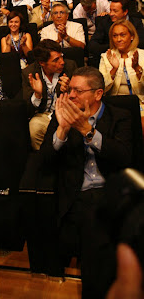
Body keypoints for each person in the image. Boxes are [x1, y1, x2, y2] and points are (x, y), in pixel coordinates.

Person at [40, 67, 133, 299]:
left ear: (98, 94)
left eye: (77, 91)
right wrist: (62, 129)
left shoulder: (120, 116)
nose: (70, 95)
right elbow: (43, 161)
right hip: (77, 194)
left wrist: (86, 129)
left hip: (111, 190)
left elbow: (124, 157)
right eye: (69, 89)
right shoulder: (62, 115)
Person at [22, 40, 76, 150]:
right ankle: (45, 158)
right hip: (43, 114)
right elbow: (26, 109)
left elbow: (82, 97)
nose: (62, 62)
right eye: (56, 60)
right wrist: (37, 95)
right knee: (34, 128)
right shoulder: (29, 73)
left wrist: (69, 91)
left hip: (66, 113)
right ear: (42, 63)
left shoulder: (70, 67)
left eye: (61, 57)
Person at [99, 20, 144, 134]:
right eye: (115, 36)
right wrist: (113, 70)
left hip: (140, 102)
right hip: (115, 104)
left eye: (123, 35)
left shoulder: (142, 55)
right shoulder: (106, 57)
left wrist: (137, 69)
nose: (119, 39)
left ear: (132, 36)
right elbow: (101, 88)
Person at [89, 0, 144, 65]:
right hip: (110, 58)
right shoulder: (104, 22)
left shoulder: (136, 22)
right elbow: (92, 45)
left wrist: (126, 47)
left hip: (134, 57)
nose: (111, 14)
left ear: (125, 12)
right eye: (110, 10)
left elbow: (142, 42)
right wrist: (114, 46)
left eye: (115, 11)